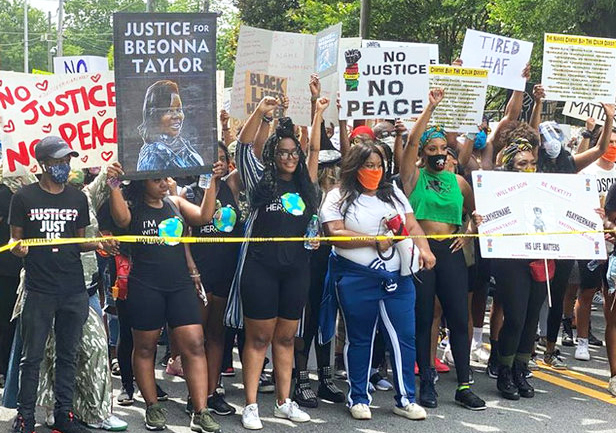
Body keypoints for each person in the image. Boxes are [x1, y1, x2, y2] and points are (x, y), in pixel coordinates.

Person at [224, 96, 323, 430]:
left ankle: (284, 401)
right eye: (283, 152)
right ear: (272, 155)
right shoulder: (260, 182)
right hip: (261, 269)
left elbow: (314, 152)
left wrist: (318, 112)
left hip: (296, 271)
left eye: (293, 152)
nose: (290, 158)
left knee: (285, 339)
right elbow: (242, 148)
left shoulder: (306, 185)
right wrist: (260, 111)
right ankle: (251, 404)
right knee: (258, 339)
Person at [319, 141, 435, 421]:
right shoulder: (338, 196)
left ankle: (406, 398)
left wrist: (425, 248)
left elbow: (412, 224)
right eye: (368, 165)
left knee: (404, 337)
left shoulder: (393, 192)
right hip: (357, 277)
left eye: (379, 165)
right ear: (354, 167)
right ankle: (358, 397)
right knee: (360, 338)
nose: (374, 170)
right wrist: (373, 241)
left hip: (398, 279)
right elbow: (333, 233)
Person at [106, 162, 222, 433]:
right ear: (141, 182)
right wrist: (113, 185)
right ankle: (152, 406)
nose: (163, 182)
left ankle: (200, 409)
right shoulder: (132, 207)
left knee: (195, 343)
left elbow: (205, 216)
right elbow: (121, 220)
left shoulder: (175, 203)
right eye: (156, 179)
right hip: (145, 285)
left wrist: (211, 180)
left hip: (179, 285)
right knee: (145, 347)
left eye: (164, 178)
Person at [8, 136, 105, 433]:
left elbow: (78, 242)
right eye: (58, 162)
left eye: (67, 161)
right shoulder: (24, 197)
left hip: (73, 288)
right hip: (38, 289)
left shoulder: (76, 198)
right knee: (32, 357)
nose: (65, 166)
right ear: (43, 164)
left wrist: (101, 244)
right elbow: (15, 238)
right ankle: (25, 417)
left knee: (69, 354)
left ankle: (65, 414)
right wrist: (17, 248)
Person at [399, 89, 486, 411]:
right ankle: (427, 383)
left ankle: (464, 384)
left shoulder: (458, 182)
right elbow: (408, 144)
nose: (438, 153)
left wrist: (468, 232)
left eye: (443, 149)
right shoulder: (413, 176)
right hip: (422, 252)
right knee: (424, 318)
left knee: (458, 318)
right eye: (431, 148)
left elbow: (476, 215)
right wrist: (430, 108)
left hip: (450, 252)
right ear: (423, 151)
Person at [531, 86, 615, 368]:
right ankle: (527, 344)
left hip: (563, 238)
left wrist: (609, 118)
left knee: (556, 293)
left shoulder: (569, 163)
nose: (551, 140)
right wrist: (538, 102)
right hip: (532, 236)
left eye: (556, 134)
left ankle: (550, 348)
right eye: (546, 136)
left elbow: (601, 148)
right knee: (533, 294)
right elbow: (531, 136)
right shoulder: (533, 163)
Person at [476, 138, 547, 401]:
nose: (528, 168)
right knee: (515, 317)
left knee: (530, 320)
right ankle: (504, 370)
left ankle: (521, 369)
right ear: (509, 166)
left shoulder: (544, 187)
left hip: (541, 257)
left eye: (532, 163)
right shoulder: (499, 189)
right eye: (522, 164)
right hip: (511, 259)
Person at [183, 142, 242, 416]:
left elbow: (249, 150)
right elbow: (182, 237)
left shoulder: (231, 186)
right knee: (196, 338)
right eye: (211, 159)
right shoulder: (189, 192)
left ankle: (212, 390)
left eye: (221, 159)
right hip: (199, 274)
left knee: (218, 336)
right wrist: (192, 268)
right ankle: (193, 395)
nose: (216, 164)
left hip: (226, 272)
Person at [136, 80, 204, 172]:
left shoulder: (183, 146)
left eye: (179, 109)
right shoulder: (151, 154)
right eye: (169, 110)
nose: (177, 116)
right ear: (154, 115)